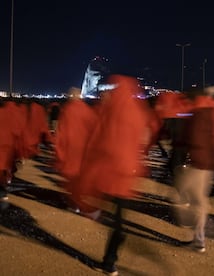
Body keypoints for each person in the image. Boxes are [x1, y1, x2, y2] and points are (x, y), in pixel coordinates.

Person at [73, 74, 151, 275]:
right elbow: (142, 138)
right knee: (119, 219)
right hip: (127, 176)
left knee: (100, 205)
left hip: (110, 173)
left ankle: (109, 261)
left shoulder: (112, 113)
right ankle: (111, 258)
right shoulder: (136, 112)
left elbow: (101, 142)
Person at [175, 85, 214, 253]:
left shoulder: (199, 115)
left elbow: (193, 138)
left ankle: (196, 228)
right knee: (199, 201)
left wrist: (182, 142)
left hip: (199, 164)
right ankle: (199, 240)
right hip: (208, 164)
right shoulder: (210, 112)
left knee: (180, 194)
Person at [53, 87, 98, 215]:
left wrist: (59, 149)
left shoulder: (66, 110)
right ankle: (78, 199)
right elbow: (94, 127)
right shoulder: (86, 109)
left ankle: (76, 202)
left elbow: (60, 132)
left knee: (71, 176)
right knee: (80, 175)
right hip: (83, 149)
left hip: (70, 149)